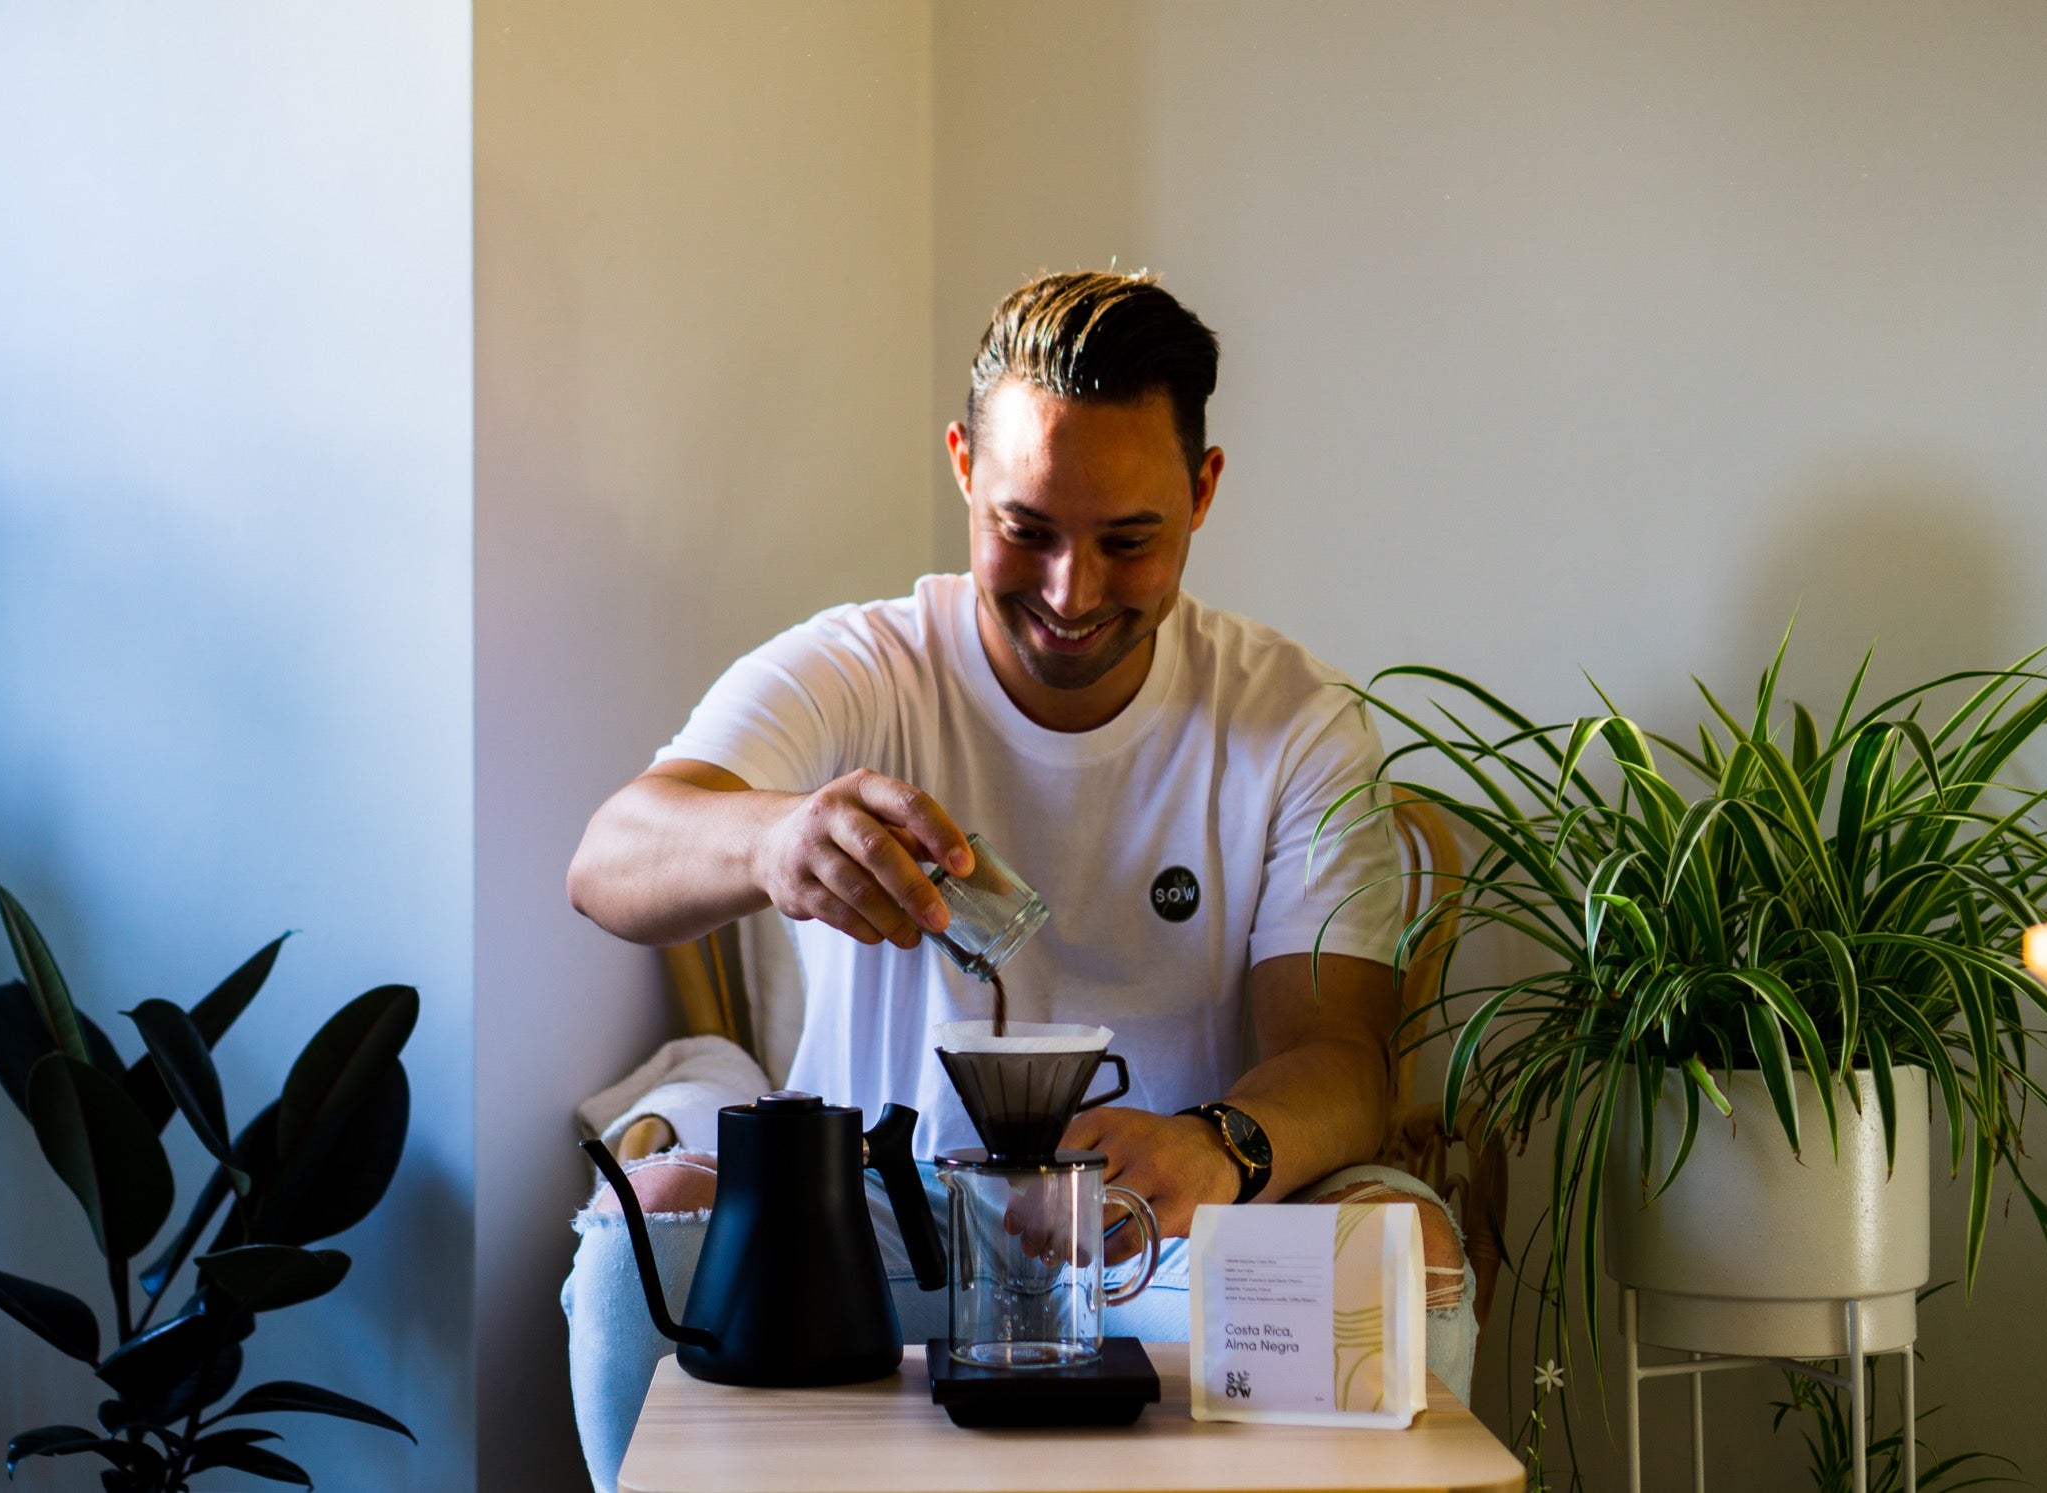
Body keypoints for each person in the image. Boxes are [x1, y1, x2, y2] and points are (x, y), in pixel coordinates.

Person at [561, 272, 1472, 1489]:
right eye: (1025, 528)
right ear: (960, 470)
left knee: (1407, 1243)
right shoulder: (860, 669)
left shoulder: (1291, 722)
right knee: (644, 1215)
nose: (1070, 593)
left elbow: (1344, 1060)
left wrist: (1221, 1144)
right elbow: (608, 859)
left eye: (1126, 539)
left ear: (1201, 494)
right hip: (872, 1240)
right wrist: (774, 839)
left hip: (1163, 1248)